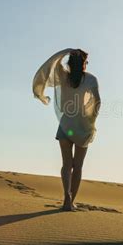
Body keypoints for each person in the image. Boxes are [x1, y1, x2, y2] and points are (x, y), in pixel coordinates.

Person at [32, 48, 101, 211]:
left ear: (69, 63)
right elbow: (98, 102)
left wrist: (66, 52)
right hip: (82, 126)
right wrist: (91, 120)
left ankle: (66, 198)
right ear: (84, 64)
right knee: (78, 166)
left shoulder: (62, 75)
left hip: (65, 124)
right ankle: (71, 201)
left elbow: (50, 64)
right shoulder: (91, 79)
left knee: (66, 165)